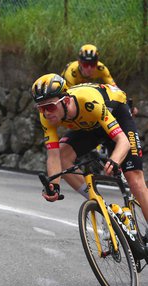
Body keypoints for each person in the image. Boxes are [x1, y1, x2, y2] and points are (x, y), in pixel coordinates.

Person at [31, 73, 148, 222]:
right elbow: (53, 155)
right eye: (41, 108)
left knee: (135, 179)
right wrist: (54, 185)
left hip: (116, 114)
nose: (46, 113)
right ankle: (103, 206)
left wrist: (114, 160)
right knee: (62, 156)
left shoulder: (89, 101)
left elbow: (123, 141)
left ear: (66, 101)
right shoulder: (47, 117)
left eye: (50, 107)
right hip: (89, 125)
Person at [61, 44, 138, 116]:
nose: (89, 68)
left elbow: (115, 89)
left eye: (93, 64)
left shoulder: (101, 68)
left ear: (97, 62)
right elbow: (68, 97)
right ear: (79, 63)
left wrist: (128, 105)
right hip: (67, 89)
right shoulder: (71, 72)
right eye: (86, 64)